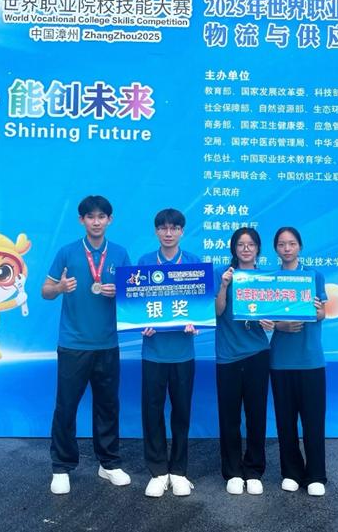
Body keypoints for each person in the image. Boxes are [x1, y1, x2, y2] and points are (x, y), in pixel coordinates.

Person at [41, 195, 132, 495]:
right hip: (73, 344)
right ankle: (61, 466)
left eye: (101, 216)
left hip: (107, 343)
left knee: (108, 405)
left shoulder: (119, 253)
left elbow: (133, 295)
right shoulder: (67, 252)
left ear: (109, 220)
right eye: (90, 216)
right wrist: (60, 287)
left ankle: (109, 463)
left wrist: (120, 291)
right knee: (66, 407)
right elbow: (45, 291)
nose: (96, 221)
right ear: (82, 220)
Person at [136, 208, 200, 498]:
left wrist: (196, 322)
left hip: (183, 352)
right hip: (153, 352)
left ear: (182, 232)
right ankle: (158, 471)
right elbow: (136, 305)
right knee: (152, 412)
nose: (168, 233)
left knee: (181, 412)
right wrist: (142, 323)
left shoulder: (194, 263)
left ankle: (179, 471)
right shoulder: (145, 263)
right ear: (156, 231)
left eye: (174, 228)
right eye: (163, 227)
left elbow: (201, 306)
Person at [214, 227, 273, 496]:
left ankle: (254, 470)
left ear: (258, 249)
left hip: (257, 354)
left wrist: (272, 322)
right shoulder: (222, 274)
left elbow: (276, 314)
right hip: (228, 355)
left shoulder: (266, 278)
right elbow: (217, 312)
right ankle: (233, 472)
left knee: (256, 414)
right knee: (229, 417)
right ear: (234, 249)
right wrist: (224, 286)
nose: (246, 249)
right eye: (241, 244)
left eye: (251, 244)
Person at [269, 226, 328, 497]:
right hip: (281, 360)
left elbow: (322, 312)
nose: (287, 248)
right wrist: (279, 325)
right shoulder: (269, 280)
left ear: (300, 247)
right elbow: (263, 318)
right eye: (282, 244)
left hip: (310, 359)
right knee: (285, 420)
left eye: (292, 243)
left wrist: (317, 312)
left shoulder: (313, 276)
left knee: (313, 420)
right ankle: (291, 472)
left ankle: (316, 475)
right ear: (276, 249)